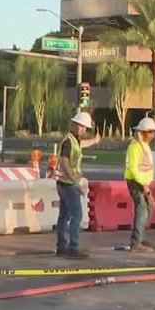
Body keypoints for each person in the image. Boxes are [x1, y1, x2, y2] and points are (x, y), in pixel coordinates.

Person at [54, 111, 100, 259]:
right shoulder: (68, 141)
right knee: (77, 215)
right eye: (80, 126)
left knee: (64, 216)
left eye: (84, 128)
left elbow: (81, 145)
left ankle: (61, 247)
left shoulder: (74, 140)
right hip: (68, 184)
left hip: (63, 182)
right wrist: (76, 183)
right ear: (74, 125)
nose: (82, 129)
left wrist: (95, 140)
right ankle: (73, 248)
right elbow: (64, 163)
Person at [124, 115, 155, 253]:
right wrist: (144, 186)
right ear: (143, 132)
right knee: (142, 210)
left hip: (143, 183)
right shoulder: (135, 147)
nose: (153, 135)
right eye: (151, 132)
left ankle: (139, 237)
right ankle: (136, 242)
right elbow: (133, 168)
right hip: (136, 183)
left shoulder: (144, 146)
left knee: (149, 207)